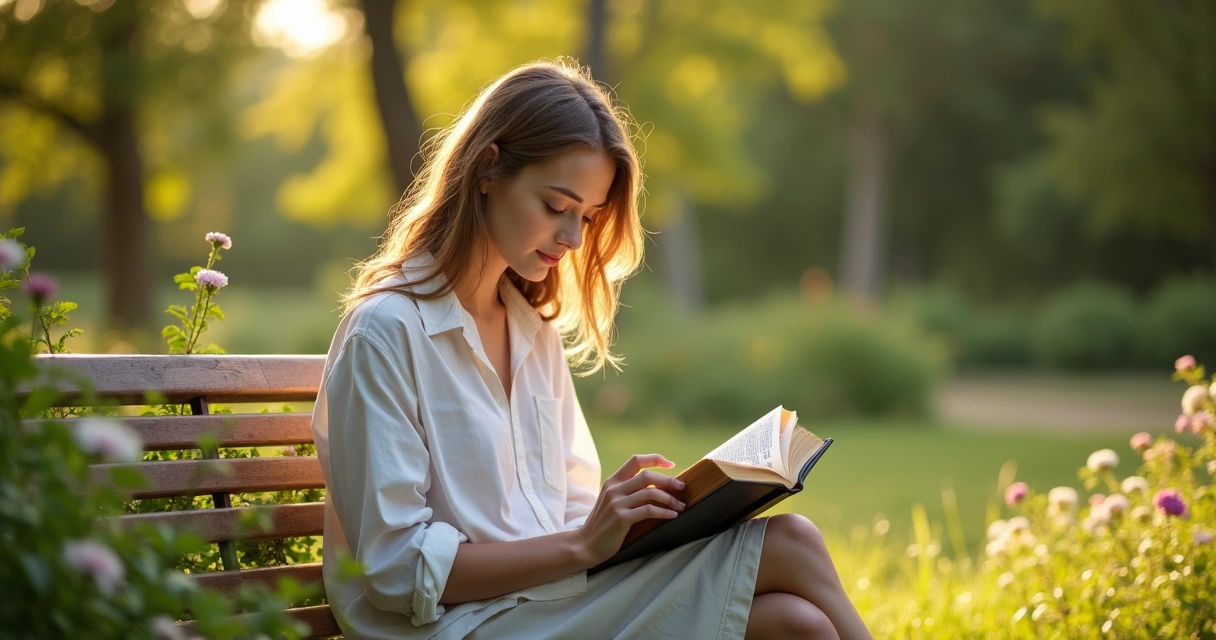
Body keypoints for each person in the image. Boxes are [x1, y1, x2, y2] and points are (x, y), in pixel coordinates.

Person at [311, 60, 871, 640]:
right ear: (486, 170)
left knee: (795, 625)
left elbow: (576, 515)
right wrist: (582, 543)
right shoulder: (385, 331)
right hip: (458, 626)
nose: (574, 238)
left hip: (546, 602)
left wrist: (633, 520)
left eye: (587, 216)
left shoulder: (532, 332)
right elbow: (396, 571)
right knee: (793, 542)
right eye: (557, 206)